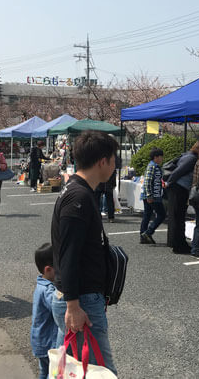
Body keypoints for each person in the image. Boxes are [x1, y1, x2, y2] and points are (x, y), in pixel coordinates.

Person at [50, 131, 119, 376]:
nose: (115, 166)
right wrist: (73, 305)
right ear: (103, 161)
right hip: (82, 299)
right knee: (99, 371)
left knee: (72, 369)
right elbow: (69, 254)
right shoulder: (78, 197)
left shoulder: (78, 190)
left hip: (81, 298)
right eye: (114, 160)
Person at [166, 141, 199, 254]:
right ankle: (179, 245)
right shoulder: (191, 158)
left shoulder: (186, 155)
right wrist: (169, 182)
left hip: (176, 188)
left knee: (175, 217)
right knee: (178, 217)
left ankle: (175, 242)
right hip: (179, 188)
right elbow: (178, 172)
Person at [31, 243, 58, 379]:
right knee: (53, 372)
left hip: (40, 340)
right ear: (48, 269)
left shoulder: (41, 284)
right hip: (48, 342)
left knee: (44, 371)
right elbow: (57, 307)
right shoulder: (48, 290)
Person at [139, 147, 165, 244]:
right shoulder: (153, 166)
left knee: (147, 215)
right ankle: (148, 232)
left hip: (151, 195)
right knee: (162, 214)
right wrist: (149, 195)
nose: (162, 159)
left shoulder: (154, 166)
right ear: (155, 157)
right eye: (161, 157)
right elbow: (148, 181)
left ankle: (143, 236)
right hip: (153, 196)